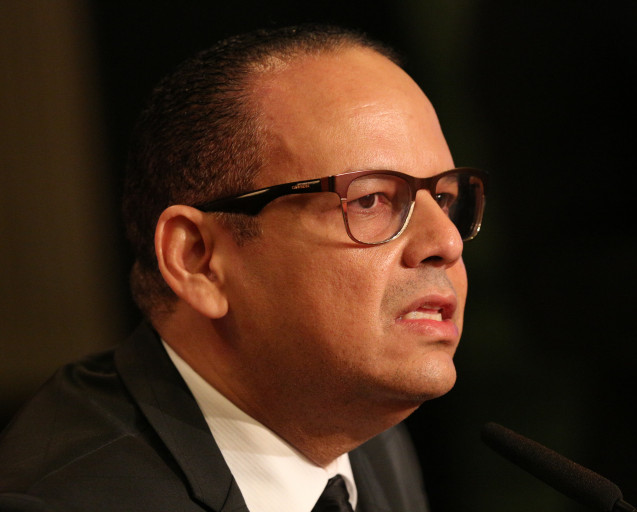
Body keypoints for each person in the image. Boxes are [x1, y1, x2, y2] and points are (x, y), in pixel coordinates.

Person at [0, 24, 488, 512]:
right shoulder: (66, 500)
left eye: (445, 199)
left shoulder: (364, 434)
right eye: (370, 200)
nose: (446, 241)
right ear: (199, 260)